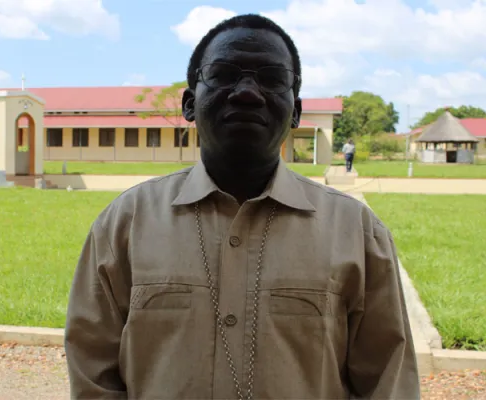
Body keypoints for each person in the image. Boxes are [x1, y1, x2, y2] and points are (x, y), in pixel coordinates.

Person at [65, 14, 420, 400]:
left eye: (271, 78)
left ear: (296, 112)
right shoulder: (125, 224)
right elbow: (93, 372)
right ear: (189, 103)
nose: (248, 92)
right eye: (224, 74)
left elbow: (389, 382)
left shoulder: (356, 233)